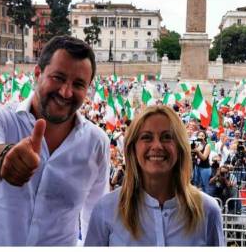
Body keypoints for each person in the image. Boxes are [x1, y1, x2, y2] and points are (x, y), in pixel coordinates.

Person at [0, 35, 110, 246]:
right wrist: (4, 158)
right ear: (38, 73)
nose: (66, 92)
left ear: (88, 88)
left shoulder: (97, 143)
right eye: (58, 77)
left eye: (78, 84)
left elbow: (96, 219)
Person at [84, 105, 224, 246]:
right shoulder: (105, 210)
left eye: (167, 137)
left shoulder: (208, 210)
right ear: (133, 148)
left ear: (180, 147)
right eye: (147, 137)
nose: (157, 146)